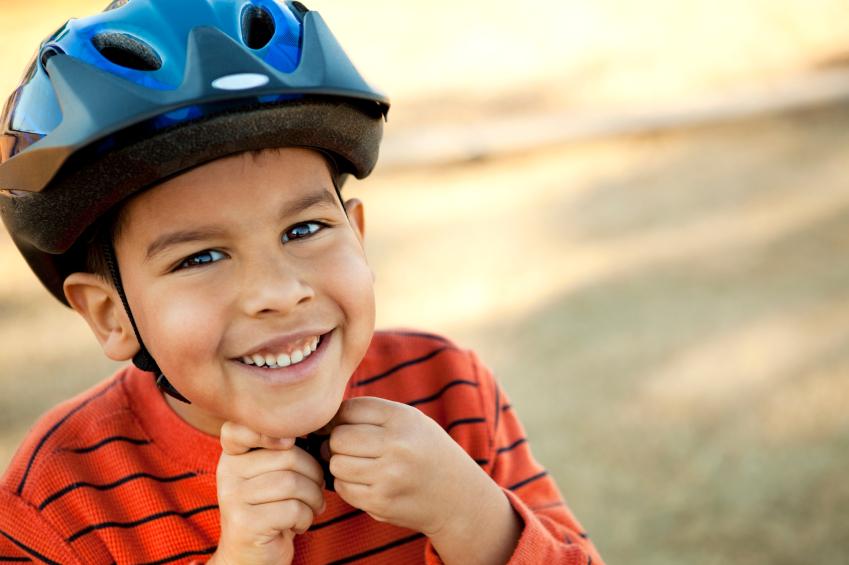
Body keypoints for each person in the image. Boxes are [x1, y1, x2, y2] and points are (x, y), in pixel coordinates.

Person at [0, 1, 603, 563]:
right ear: (110, 313)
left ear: (358, 237)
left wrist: (472, 514)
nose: (279, 292)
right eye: (201, 258)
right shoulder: (59, 496)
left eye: (304, 228)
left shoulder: (449, 390)